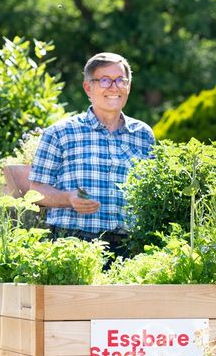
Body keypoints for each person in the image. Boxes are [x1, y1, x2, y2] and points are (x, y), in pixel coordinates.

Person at [29, 52, 155, 258]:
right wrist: (68, 198)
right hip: (72, 244)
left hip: (131, 247)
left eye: (120, 80)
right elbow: (35, 191)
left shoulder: (143, 135)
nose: (114, 87)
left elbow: (151, 193)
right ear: (88, 87)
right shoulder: (61, 133)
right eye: (105, 80)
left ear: (128, 86)